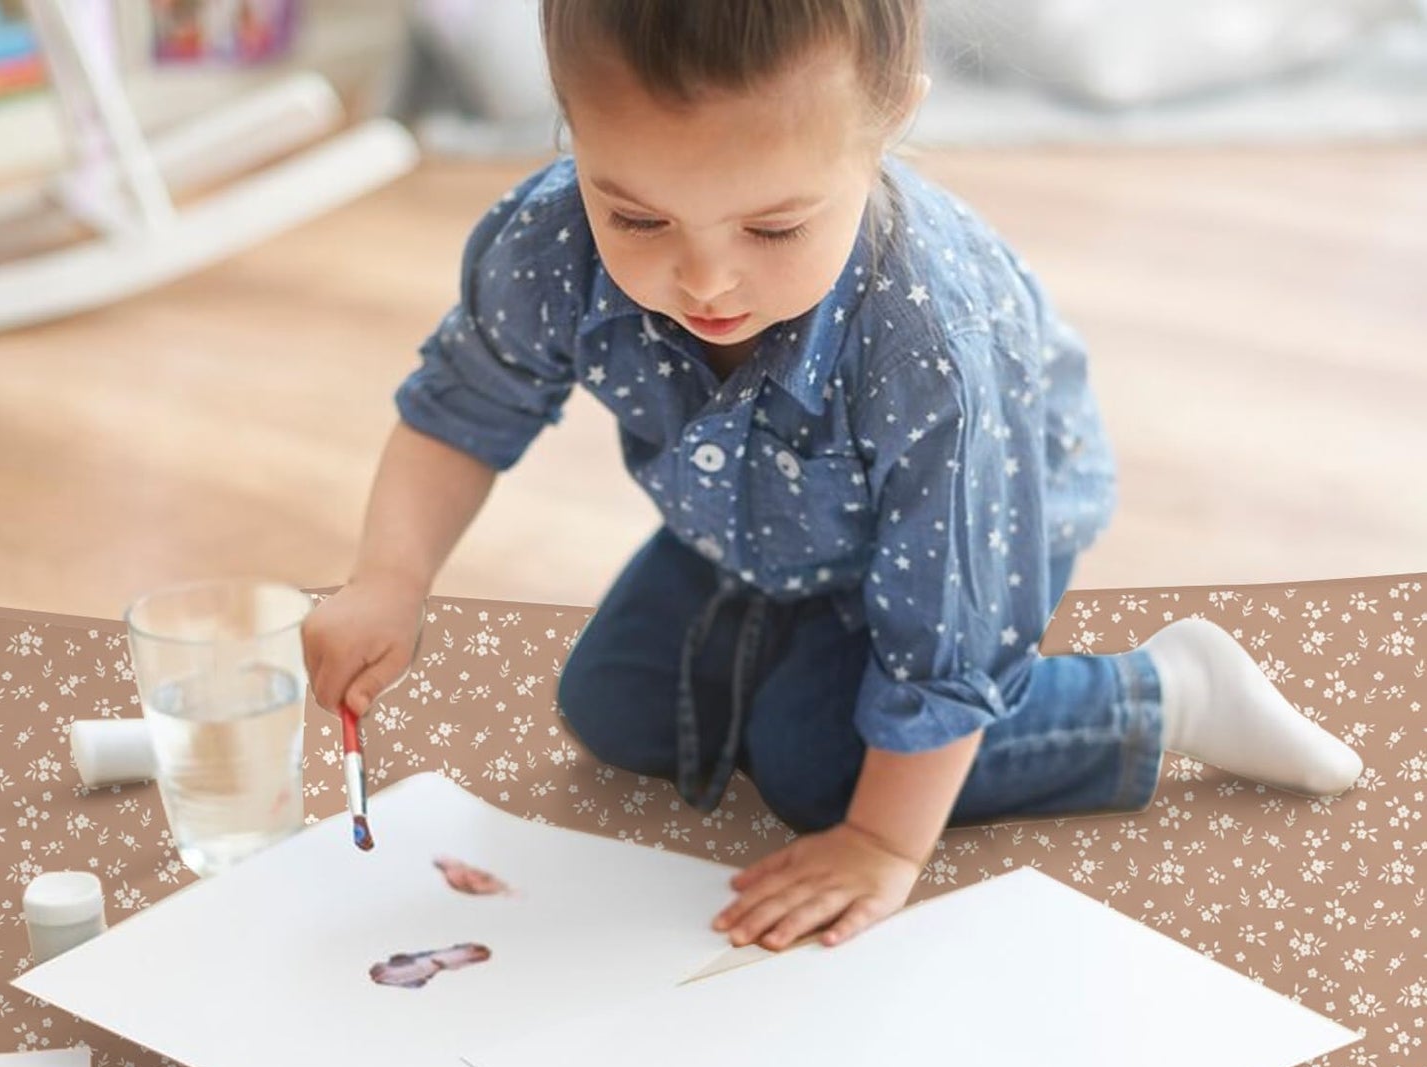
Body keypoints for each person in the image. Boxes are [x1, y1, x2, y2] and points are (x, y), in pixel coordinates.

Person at [305, 0, 1361, 956]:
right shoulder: (547, 236)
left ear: (890, 119)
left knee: (818, 771)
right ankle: (799, 644)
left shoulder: (930, 342)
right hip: (747, 517)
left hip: (964, 532)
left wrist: (879, 842)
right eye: (636, 217)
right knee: (613, 707)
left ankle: (1161, 693)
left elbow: (950, 618)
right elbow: (464, 407)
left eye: (773, 227)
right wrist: (388, 577)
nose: (705, 279)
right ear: (570, 126)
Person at [369, 942, 491, 989]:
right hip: (427, 964)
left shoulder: (464, 961)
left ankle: (385, 977)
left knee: (411, 974)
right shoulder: (461, 950)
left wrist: (438, 967)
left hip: (430, 965)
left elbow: (453, 966)